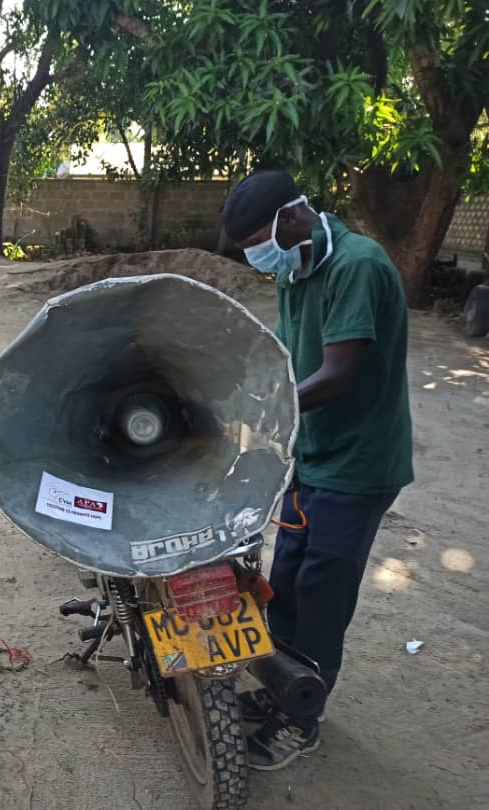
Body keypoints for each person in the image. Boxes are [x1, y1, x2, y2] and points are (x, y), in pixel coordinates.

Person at [221, 170, 413, 770]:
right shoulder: (295, 269)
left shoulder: (358, 266)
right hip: (311, 455)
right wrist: (237, 392)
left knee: (323, 592)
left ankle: (302, 718)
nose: (255, 255)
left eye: (257, 240)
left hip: (358, 464)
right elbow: (284, 356)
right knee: (287, 580)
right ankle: (282, 687)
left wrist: (268, 408)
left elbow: (337, 375)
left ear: (290, 217)